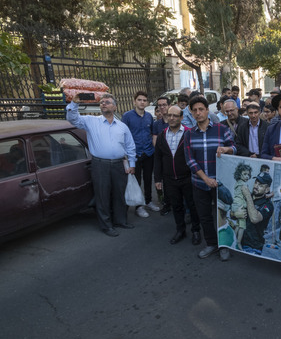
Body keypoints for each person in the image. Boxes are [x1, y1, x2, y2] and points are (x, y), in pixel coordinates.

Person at [66, 93, 136, 237]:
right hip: (100, 165)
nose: (104, 104)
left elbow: (130, 146)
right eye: (102, 102)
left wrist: (132, 164)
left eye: (108, 102)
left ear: (114, 106)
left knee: (119, 194)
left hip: (119, 165)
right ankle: (106, 225)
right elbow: (72, 119)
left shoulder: (122, 126)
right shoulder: (91, 121)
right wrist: (74, 103)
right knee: (102, 195)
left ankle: (120, 220)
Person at [184, 96, 236, 260]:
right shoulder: (189, 134)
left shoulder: (221, 129)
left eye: (201, 109)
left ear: (207, 110)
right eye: (195, 110)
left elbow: (234, 148)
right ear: (192, 113)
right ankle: (212, 244)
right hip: (200, 182)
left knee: (222, 215)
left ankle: (224, 245)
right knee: (204, 215)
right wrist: (205, 178)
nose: (198, 113)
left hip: (220, 182)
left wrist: (226, 149)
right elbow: (190, 160)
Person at [153, 105, 202, 246]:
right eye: (169, 115)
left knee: (192, 206)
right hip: (170, 179)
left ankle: (196, 231)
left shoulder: (189, 133)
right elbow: (158, 158)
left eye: (175, 115)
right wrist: (158, 179)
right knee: (177, 206)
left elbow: (196, 155)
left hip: (188, 177)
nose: (172, 118)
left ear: (181, 117)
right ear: (166, 117)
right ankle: (180, 230)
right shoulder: (162, 135)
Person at [122, 91, 160, 217]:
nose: (142, 102)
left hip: (148, 152)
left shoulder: (149, 116)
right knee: (136, 181)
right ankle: (139, 206)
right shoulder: (127, 116)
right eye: (139, 100)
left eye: (144, 100)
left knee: (148, 179)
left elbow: (151, 133)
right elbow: (123, 135)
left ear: (147, 102)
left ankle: (148, 201)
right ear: (134, 101)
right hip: (135, 154)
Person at [233, 172, 275, 255]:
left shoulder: (268, 205)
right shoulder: (246, 196)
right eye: (256, 182)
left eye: (261, 185)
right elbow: (231, 213)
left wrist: (248, 196)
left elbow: (254, 219)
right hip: (237, 241)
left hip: (253, 247)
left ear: (267, 189)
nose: (256, 186)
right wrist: (235, 214)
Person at [231, 162, 252, 250]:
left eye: (248, 174)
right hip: (240, 206)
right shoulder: (244, 185)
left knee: (238, 224)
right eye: (244, 174)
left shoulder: (237, 183)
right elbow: (247, 196)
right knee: (242, 226)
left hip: (235, 205)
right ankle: (239, 243)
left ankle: (233, 240)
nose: (247, 176)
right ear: (239, 174)